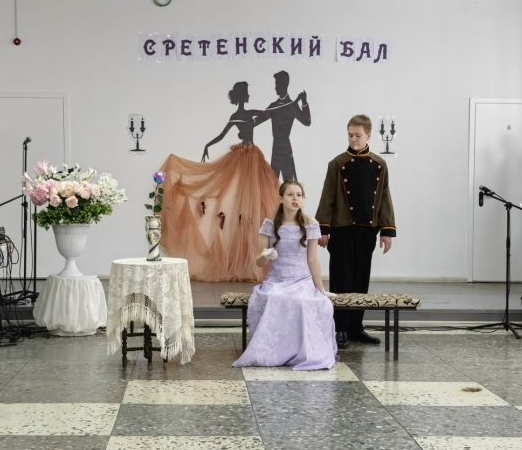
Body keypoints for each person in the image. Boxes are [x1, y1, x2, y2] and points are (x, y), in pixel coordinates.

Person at [159, 82, 280, 282]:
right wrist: (208, 144)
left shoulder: (245, 115)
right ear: (242, 96)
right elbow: (225, 133)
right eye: (246, 93)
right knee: (243, 205)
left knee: (257, 204)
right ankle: (243, 262)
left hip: (252, 161)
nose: (248, 95)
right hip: (245, 160)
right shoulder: (243, 115)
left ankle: (252, 260)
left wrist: (274, 109)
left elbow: (267, 115)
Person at [232, 180, 337, 370]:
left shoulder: (310, 224)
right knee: (275, 298)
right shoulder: (270, 225)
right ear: (281, 199)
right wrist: (265, 255)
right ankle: (275, 352)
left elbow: (313, 260)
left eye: (299, 195)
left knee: (305, 301)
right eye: (290, 194)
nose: (295, 198)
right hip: (277, 281)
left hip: (302, 281)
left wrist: (321, 289)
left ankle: (302, 352)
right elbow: (258, 262)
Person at [315, 114, 396, 349]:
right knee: (341, 279)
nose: (353, 139)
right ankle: (339, 328)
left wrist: (387, 230)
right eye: (350, 135)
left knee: (361, 279)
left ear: (368, 135)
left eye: (358, 135)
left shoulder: (379, 164)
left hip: (367, 230)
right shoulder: (337, 163)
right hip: (341, 229)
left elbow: (384, 198)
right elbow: (327, 197)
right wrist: (323, 228)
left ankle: (356, 327)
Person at [256, 70, 311, 181]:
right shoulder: (274, 106)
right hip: (276, 147)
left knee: (289, 181)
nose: (275, 87)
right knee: (272, 181)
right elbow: (259, 119)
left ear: (283, 85)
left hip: (286, 148)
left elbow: (307, 121)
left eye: (277, 84)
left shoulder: (292, 106)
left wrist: (304, 102)